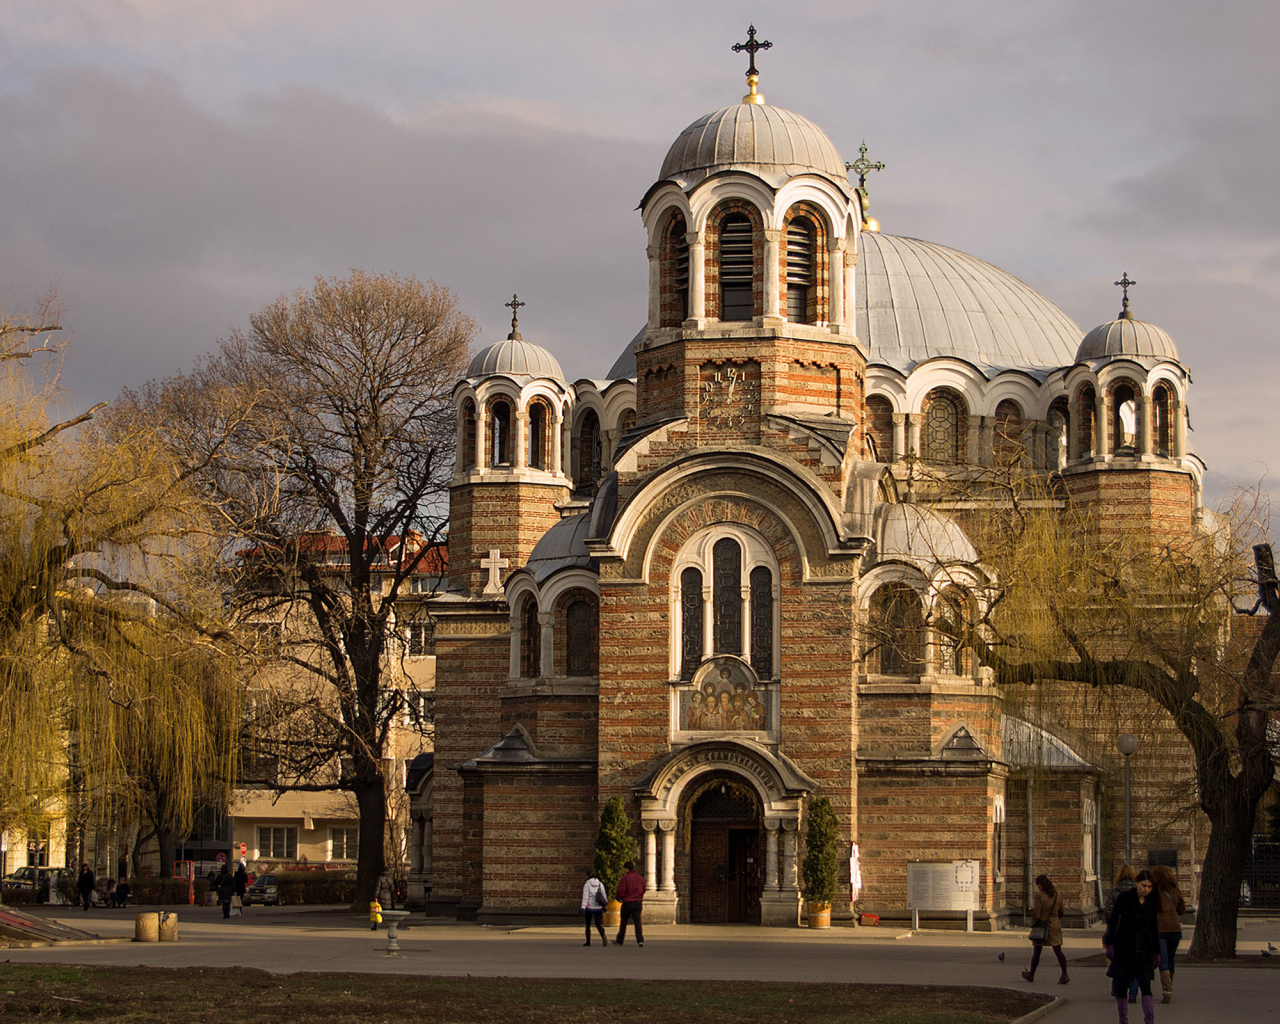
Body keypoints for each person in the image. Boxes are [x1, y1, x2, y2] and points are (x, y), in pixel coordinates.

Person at [1106, 868, 1160, 1024]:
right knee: (1122, 985)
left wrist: (1157, 952)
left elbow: (1154, 928)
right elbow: (1113, 920)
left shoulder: (1151, 901)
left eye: (1149, 887)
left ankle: (1149, 1020)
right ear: (1137, 883)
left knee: (1145, 984)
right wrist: (1110, 944)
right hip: (1125, 946)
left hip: (1145, 949)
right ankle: (1123, 1019)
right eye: (1143, 886)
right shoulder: (1125, 898)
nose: (1146, 890)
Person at [1021, 874, 1068, 984]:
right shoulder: (1057, 894)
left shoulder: (1039, 896)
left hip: (1042, 925)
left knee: (1037, 951)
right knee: (1058, 951)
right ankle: (1064, 974)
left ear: (1040, 885)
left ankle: (1031, 974)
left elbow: (1036, 912)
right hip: (1055, 925)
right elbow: (1062, 911)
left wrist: (1033, 924)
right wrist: (1055, 919)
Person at [1103, 865, 1140, 1004]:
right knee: (1134, 963)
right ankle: (1133, 993)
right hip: (1134, 932)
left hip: (1118, 931)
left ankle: (1117, 989)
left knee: (1118, 962)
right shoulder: (1137, 892)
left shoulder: (1114, 891)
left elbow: (1107, 911)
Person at [1150, 864, 1185, 1004]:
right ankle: (1170, 985)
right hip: (1175, 929)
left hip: (1160, 929)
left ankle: (1167, 990)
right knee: (1170, 959)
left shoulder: (1153, 891)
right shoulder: (1175, 890)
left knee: (1163, 959)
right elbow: (1182, 908)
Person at [612, 860, 645, 947]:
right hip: (638, 902)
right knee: (637, 922)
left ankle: (620, 940)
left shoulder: (625, 878)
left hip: (628, 902)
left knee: (624, 922)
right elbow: (643, 889)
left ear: (626, 869)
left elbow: (621, 891)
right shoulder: (641, 878)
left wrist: (619, 898)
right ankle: (640, 940)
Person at [580, 868, 608, 947]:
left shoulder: (587, 885)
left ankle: (588, 941)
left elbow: (585, 897)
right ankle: (603, 935)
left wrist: (583, 907)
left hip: (589, 908)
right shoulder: (600, 884)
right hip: (598, 907)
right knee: (598, 924)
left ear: (587, 876)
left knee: (588, 924)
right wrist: (605, 905)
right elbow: (604, 895)